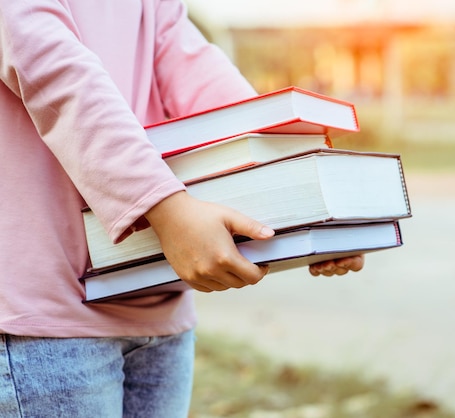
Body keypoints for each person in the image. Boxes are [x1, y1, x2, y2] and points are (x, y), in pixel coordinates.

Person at [0, 1, 364, 416]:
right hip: (47, 316)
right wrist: (166, 207)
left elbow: (198, 73)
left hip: (159, 303)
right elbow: (56, 74)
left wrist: (298, 197)